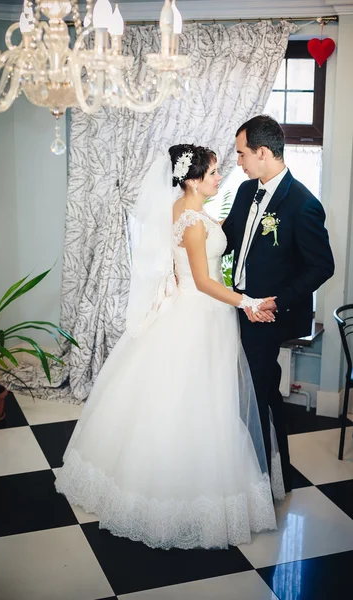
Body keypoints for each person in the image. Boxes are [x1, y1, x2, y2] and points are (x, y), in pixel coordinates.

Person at [55, 144, 284, 551]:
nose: (219, 177)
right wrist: (247, 302)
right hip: (200, 315)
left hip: (201, 314)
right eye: (213, 173)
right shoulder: (193, 220)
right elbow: (202, 281)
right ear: (193, 179)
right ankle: (179, 495)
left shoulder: (183, 208)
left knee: (194, 397)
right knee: (197, 400)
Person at [222, 115, 335, 493]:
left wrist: (277, 302)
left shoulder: (303, 204)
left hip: (268, 316)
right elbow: (226, 239)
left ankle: (257, 485)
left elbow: (322, 265)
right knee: (260, 391)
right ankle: (270, 477)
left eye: (242, 155)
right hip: (238, 308)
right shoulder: (244, 192)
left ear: (263, 152)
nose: (239, 162)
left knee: (255, 393)